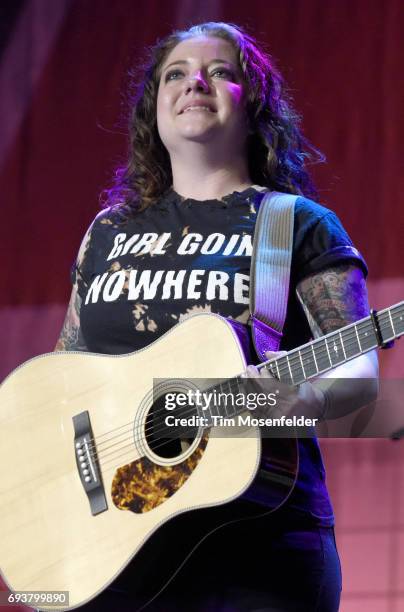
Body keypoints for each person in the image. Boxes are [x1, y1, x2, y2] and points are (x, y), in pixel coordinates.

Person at [55, 22, 378, 612]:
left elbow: (359, 370)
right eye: (174, 74)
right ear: (153, 108)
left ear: (253, 104)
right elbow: (64, 374)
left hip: (255, 547)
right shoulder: (105, 233)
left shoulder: (296, 224)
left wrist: (305, 397)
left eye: (220, 71)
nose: (194, 82)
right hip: (112, 550)